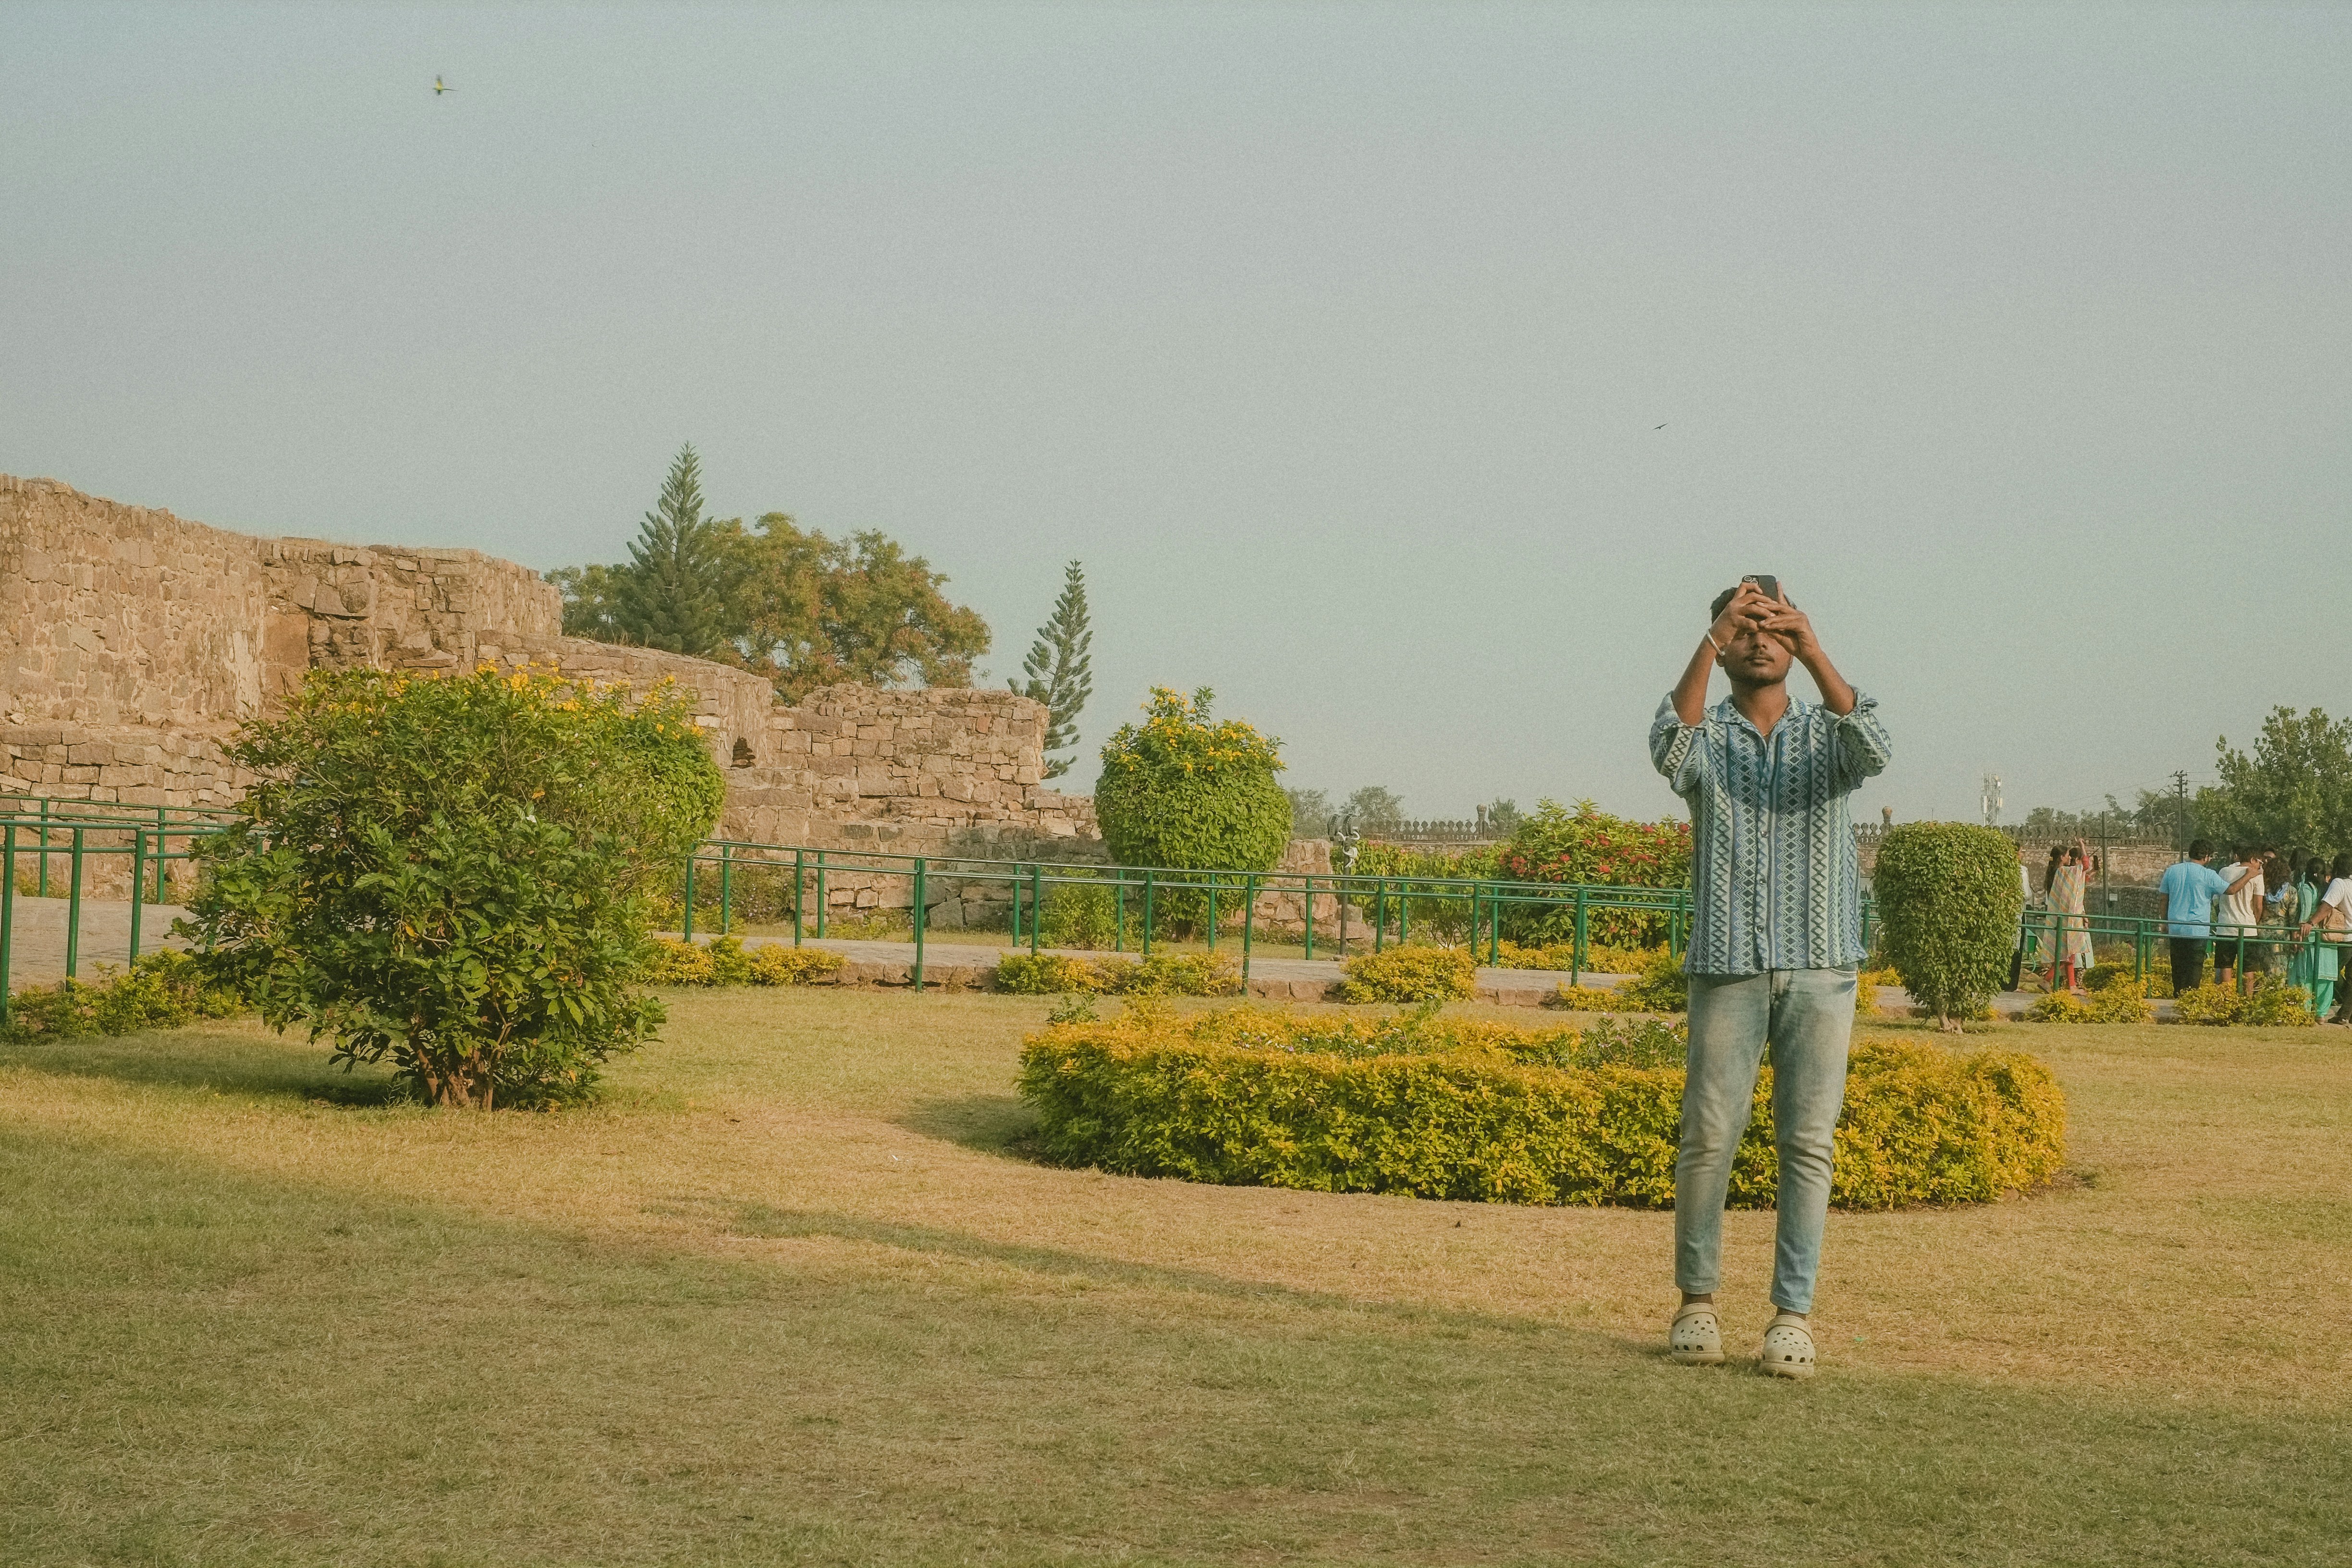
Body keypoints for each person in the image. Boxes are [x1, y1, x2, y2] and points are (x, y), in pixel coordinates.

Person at [1651, 578, 1891, 1380]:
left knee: (1807, 1143)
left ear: (1791, 639)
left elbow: (1877, 748)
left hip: (1821, 965)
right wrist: (1709, 637)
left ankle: (1792, 1315)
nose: (1759, 639)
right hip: (1728, 962)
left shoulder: (1829, 735)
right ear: (1724, 644)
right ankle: (1697, 1303)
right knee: (1708, 1138)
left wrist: (1815, 643)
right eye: (1744, 628)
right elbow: (1666, 748)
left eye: (1771, 627)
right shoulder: (1708, 734)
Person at [2156, 841, 2255, 995]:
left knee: (2178, 967)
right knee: (2194, 969)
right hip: (2198, 929)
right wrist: (2249, 875)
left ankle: (2178, 996)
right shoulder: (2208, 875)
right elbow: (2231, 890)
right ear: (2207, 858)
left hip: (2176, 928)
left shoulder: (2172, 871)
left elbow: (2164, 899)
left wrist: (2165, 922)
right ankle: (2190, 1000)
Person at [2291, 852, 2351, 1023]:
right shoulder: (2332, 885)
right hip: (2338, 938)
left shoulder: (2333, 885)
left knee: (2316, 973)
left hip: (2330, 936)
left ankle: (2309, 1009)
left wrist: (2309, 923)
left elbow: (2325, 907)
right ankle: (2334, 1014)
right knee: (2331, 975)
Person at [2212, 845, 2265, 990]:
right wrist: (2256, 920)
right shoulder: (2257, 876)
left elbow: (2217, 898)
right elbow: (2258, 905)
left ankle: (2226, 1000)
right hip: (2248, 927)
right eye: (2260, 862)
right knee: (2249, 969)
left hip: (2225, 926)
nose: (2261, 866)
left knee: (2225, 966)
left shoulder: (2224, 871)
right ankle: (2247, 1001)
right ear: (2254, 860)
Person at [2048, 840, 2094, 990]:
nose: (2069, 859)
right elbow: (2086, 867)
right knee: (2069, 953)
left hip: (2060, 917)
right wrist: (2082, 847)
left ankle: (2072, 986)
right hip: (2069, 919)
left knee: (2069, 953)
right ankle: (2047, 979)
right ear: (2062, 857)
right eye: (2068, 856)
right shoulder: (2066, 872)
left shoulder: (2058, 872)